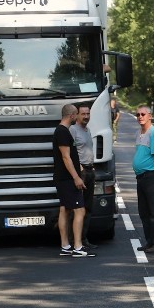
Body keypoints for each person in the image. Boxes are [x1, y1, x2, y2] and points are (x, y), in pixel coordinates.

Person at [52, 104, 95, 257]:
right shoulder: (63, 132)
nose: (78, 116)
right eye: (77, 114)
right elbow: (65, 157)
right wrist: (76, 177)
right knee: (80, 210)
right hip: (67, 178)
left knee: (65, 209)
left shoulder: (61, 131)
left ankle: (65, 246)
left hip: (63, 178)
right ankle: (77, 247)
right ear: (71, 115)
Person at [132, 105, 154, 253]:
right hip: (141, 177)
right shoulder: (139, 132)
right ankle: (150, 242)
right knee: (144, 212)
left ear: (150, 116)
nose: (140, 116)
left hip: (151, 176)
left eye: (143, 114)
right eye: (138, 114)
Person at [69, 104, 97, 250]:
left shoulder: (87, 130)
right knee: (78, 208)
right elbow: (70, 152)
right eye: (83, 114)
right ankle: (74, 241)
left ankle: (83, 239)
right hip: (81, 173)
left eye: (88, 114)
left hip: (90, 171)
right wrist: (79, 170)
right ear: (77, 115)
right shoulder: (73, 130)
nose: (86, 116)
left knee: (88, 207)